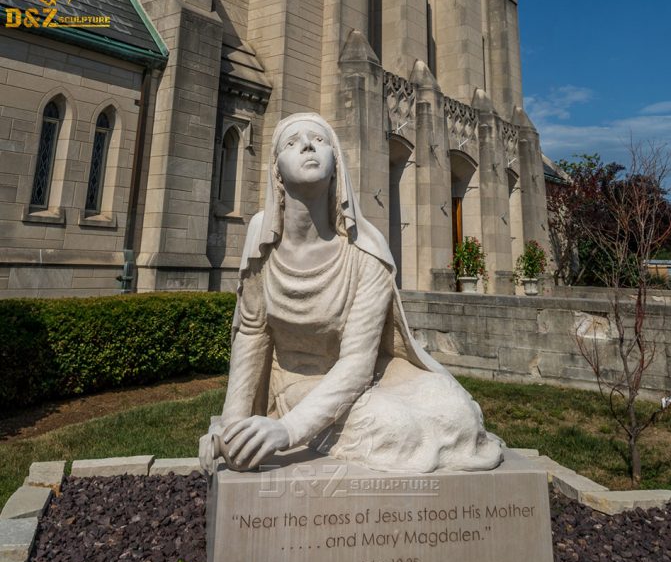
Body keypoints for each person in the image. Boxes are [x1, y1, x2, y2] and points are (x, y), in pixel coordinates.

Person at [199, 113, 503, 474]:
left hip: (369, 375)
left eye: (319, 139)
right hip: (301, 383)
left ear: (336, 163)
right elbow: (251, 333)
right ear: (276, 170)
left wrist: (287, 431)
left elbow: (359, 364)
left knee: (457, 412)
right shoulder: (261, 240)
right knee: (396, 428)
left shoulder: (366, 250)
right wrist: (234, 428)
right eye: (292, 143)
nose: (308, 145)